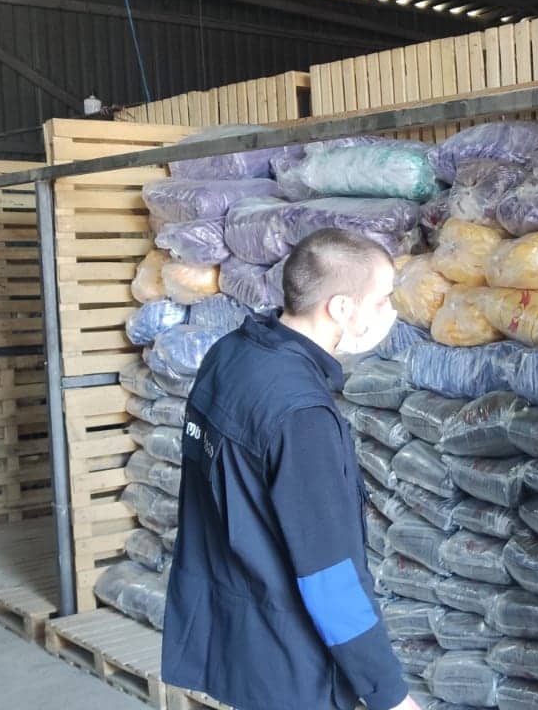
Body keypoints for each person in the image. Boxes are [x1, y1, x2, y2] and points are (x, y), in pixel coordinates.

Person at [162, 230, 420, 710]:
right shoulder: (302, 415)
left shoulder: (229, 353)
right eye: (382, 300)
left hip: (233, 636)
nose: (389, 313)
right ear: (341, 308)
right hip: (292, 662)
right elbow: (329, 576)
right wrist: (389, 693)